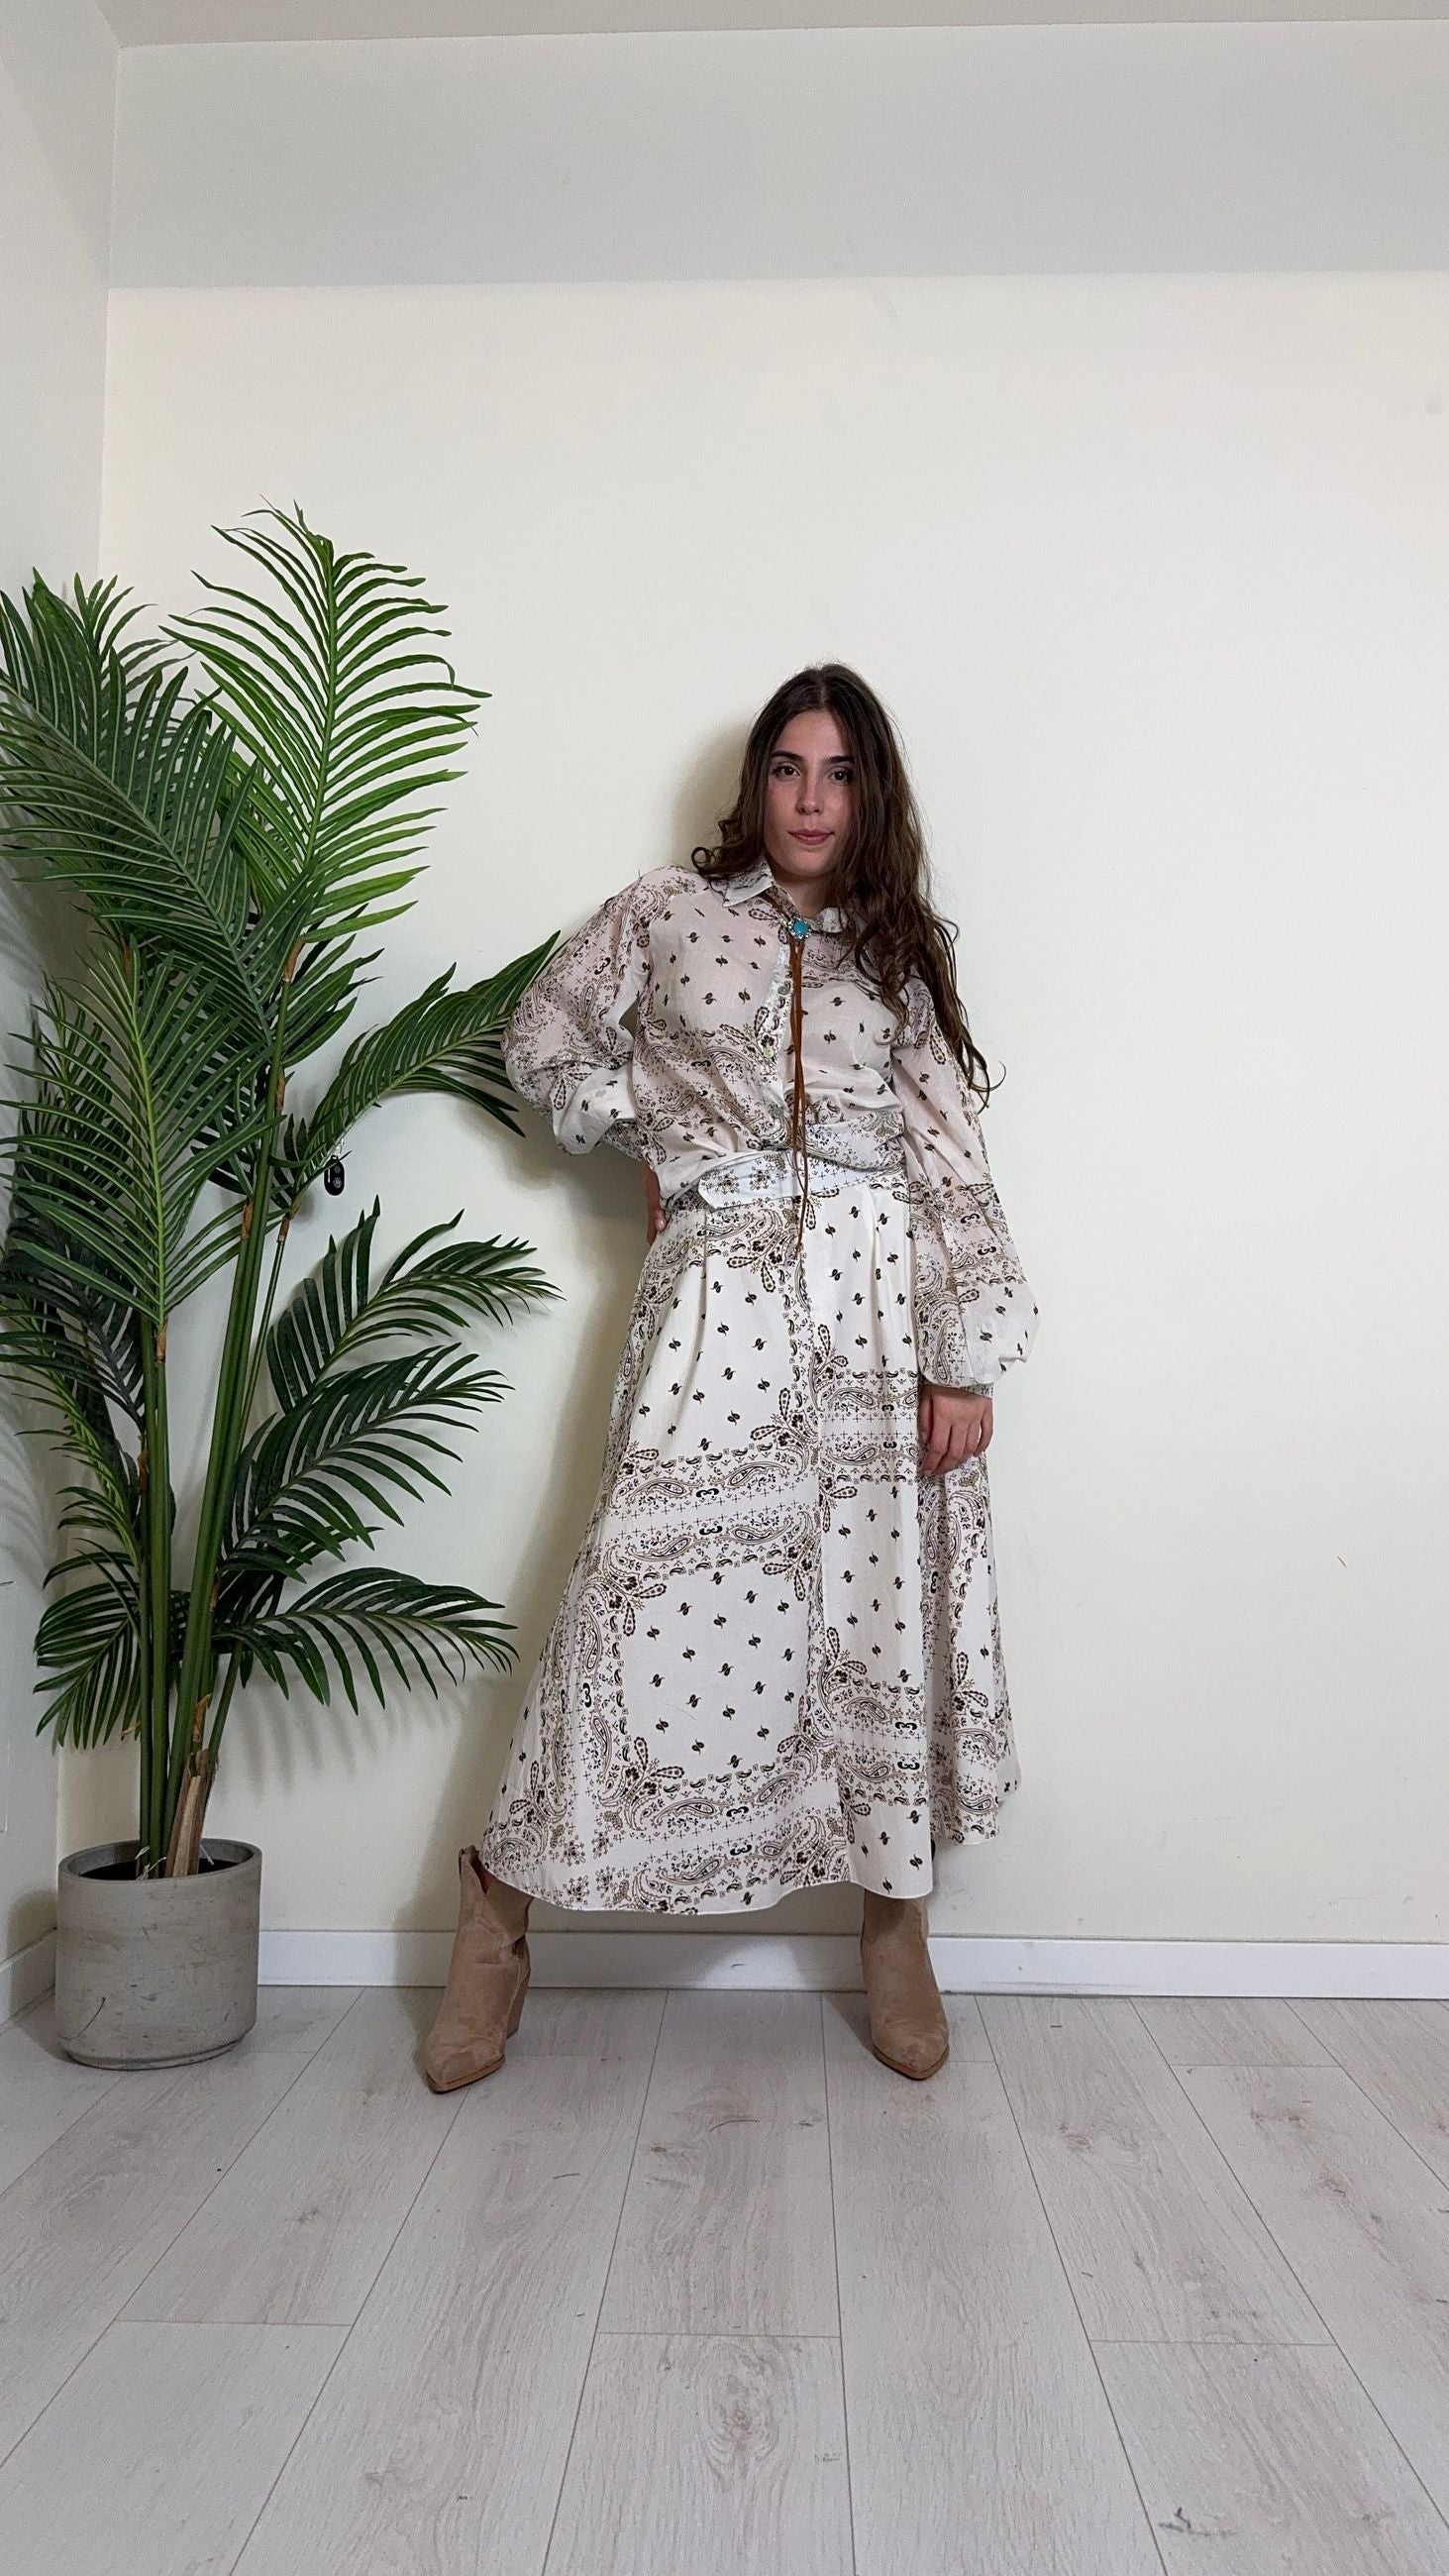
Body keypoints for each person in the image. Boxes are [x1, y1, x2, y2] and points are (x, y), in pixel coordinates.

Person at [422, 664, 1038, 2093]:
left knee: (879, 1614)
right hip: (721, 1294)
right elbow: (542, 1034)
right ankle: (494, 1922)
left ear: (872, 794)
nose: (813, 800)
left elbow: (951, 1163)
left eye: (841, 774)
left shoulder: (899, 954)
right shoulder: (665, 911)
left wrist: (963, 1359)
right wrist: (651, 1129)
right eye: (788, 768)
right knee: (625, 1592)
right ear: (756, 781)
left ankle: (895, 1927)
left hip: (879, 1317)